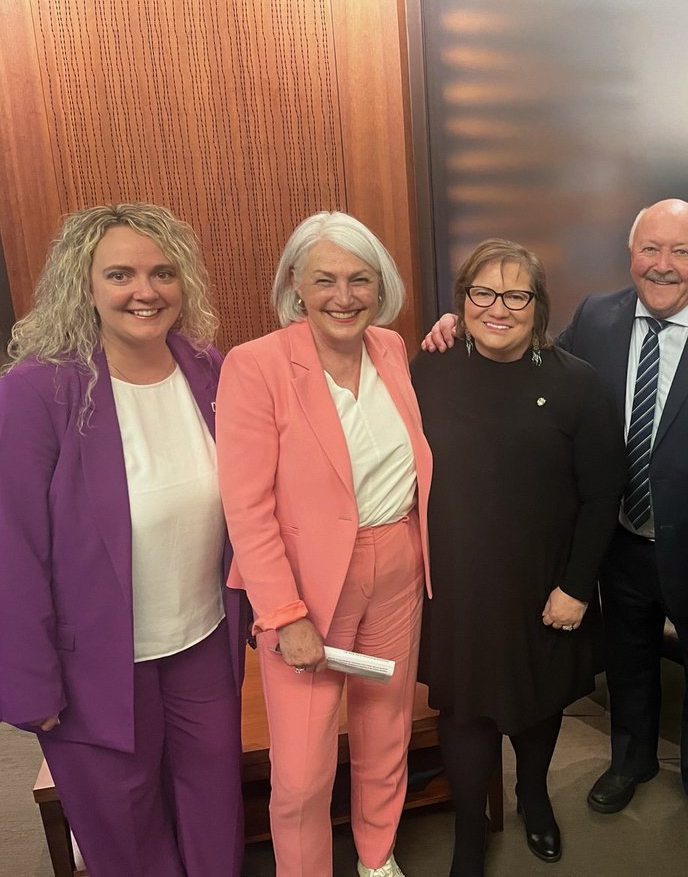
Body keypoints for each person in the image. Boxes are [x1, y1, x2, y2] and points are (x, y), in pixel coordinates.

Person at [423, 199, 688, 857]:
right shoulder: (597, 316)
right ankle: (631, 761)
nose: (663, 264)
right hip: (617, 540)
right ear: (632, 256)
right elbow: (536, 370)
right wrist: (461, 325)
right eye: (650, 249)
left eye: (680, 251)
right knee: (628, 665)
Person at [0, 203, 248, 876]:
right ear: (84, 285)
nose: (146, 290)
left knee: (216, 807)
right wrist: (29, 686)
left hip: (202, 645)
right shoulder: (37, 390)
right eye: (120, 274)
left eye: (162, 272)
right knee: (124, 828)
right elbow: (11, 552)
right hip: (92, 668)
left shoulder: (207, 368)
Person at [216, 211, 432, 877]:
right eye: (326, 280)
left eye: (359, 279)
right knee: (304, 770)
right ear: (296, 287)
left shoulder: (392, 349)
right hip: (307, 588)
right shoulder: (256, 366)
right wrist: (282, 614)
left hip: (398, 563)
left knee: (385, 732)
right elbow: (246, 508)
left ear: (380, 285)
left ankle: (375, 856)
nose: (344, 295)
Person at [410, 238, 624, 875]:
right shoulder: (427, 371)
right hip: (456, 586)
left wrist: (577, 588)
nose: (497, 307)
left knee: (538, 703)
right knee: (465, 710)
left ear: (539, 305)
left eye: (515, 294)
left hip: (545, 583)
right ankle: (469, 838)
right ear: (462, 302)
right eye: (482, 292)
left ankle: (534, 798)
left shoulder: (576, 384)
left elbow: (601, 494)